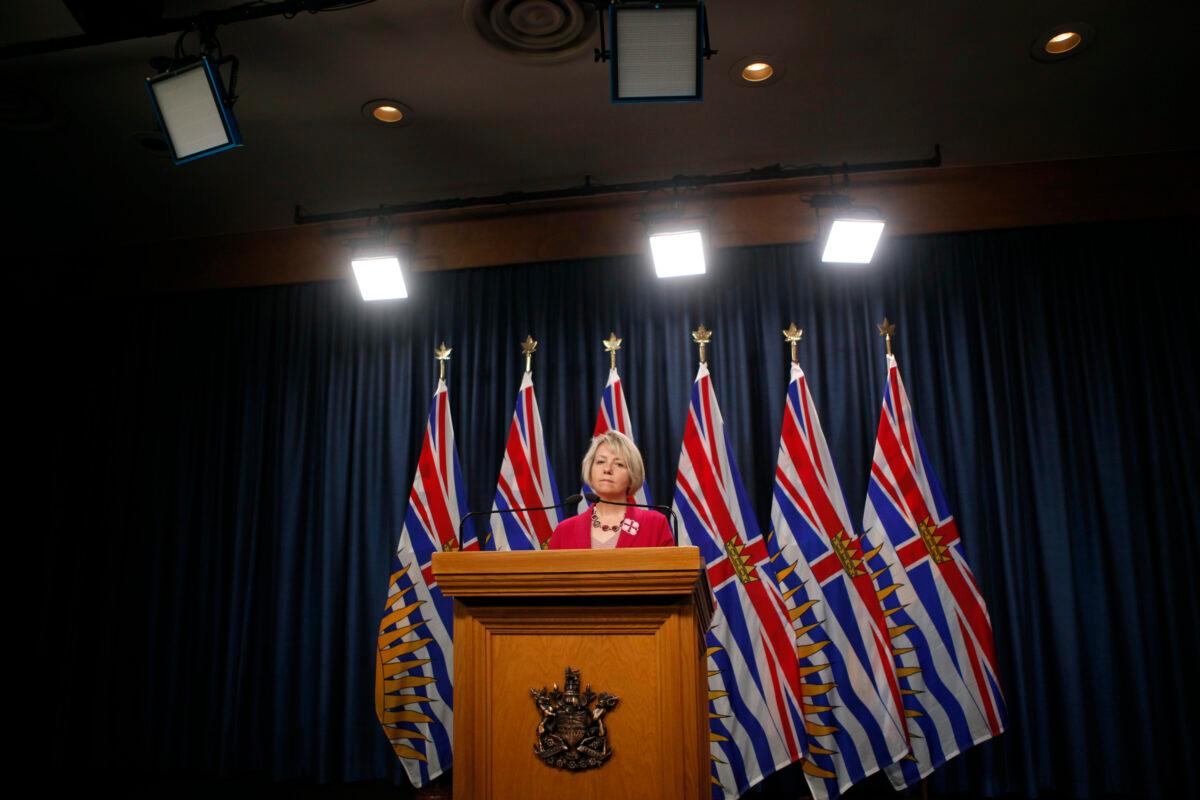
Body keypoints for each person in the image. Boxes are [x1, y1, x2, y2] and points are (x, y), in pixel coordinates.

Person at [548, 430, 673, 550]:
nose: (607, 469)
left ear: (632, 475)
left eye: (619, 464)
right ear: (590, 470)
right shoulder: (564, 531)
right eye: (600, 462)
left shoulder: (654, 525)